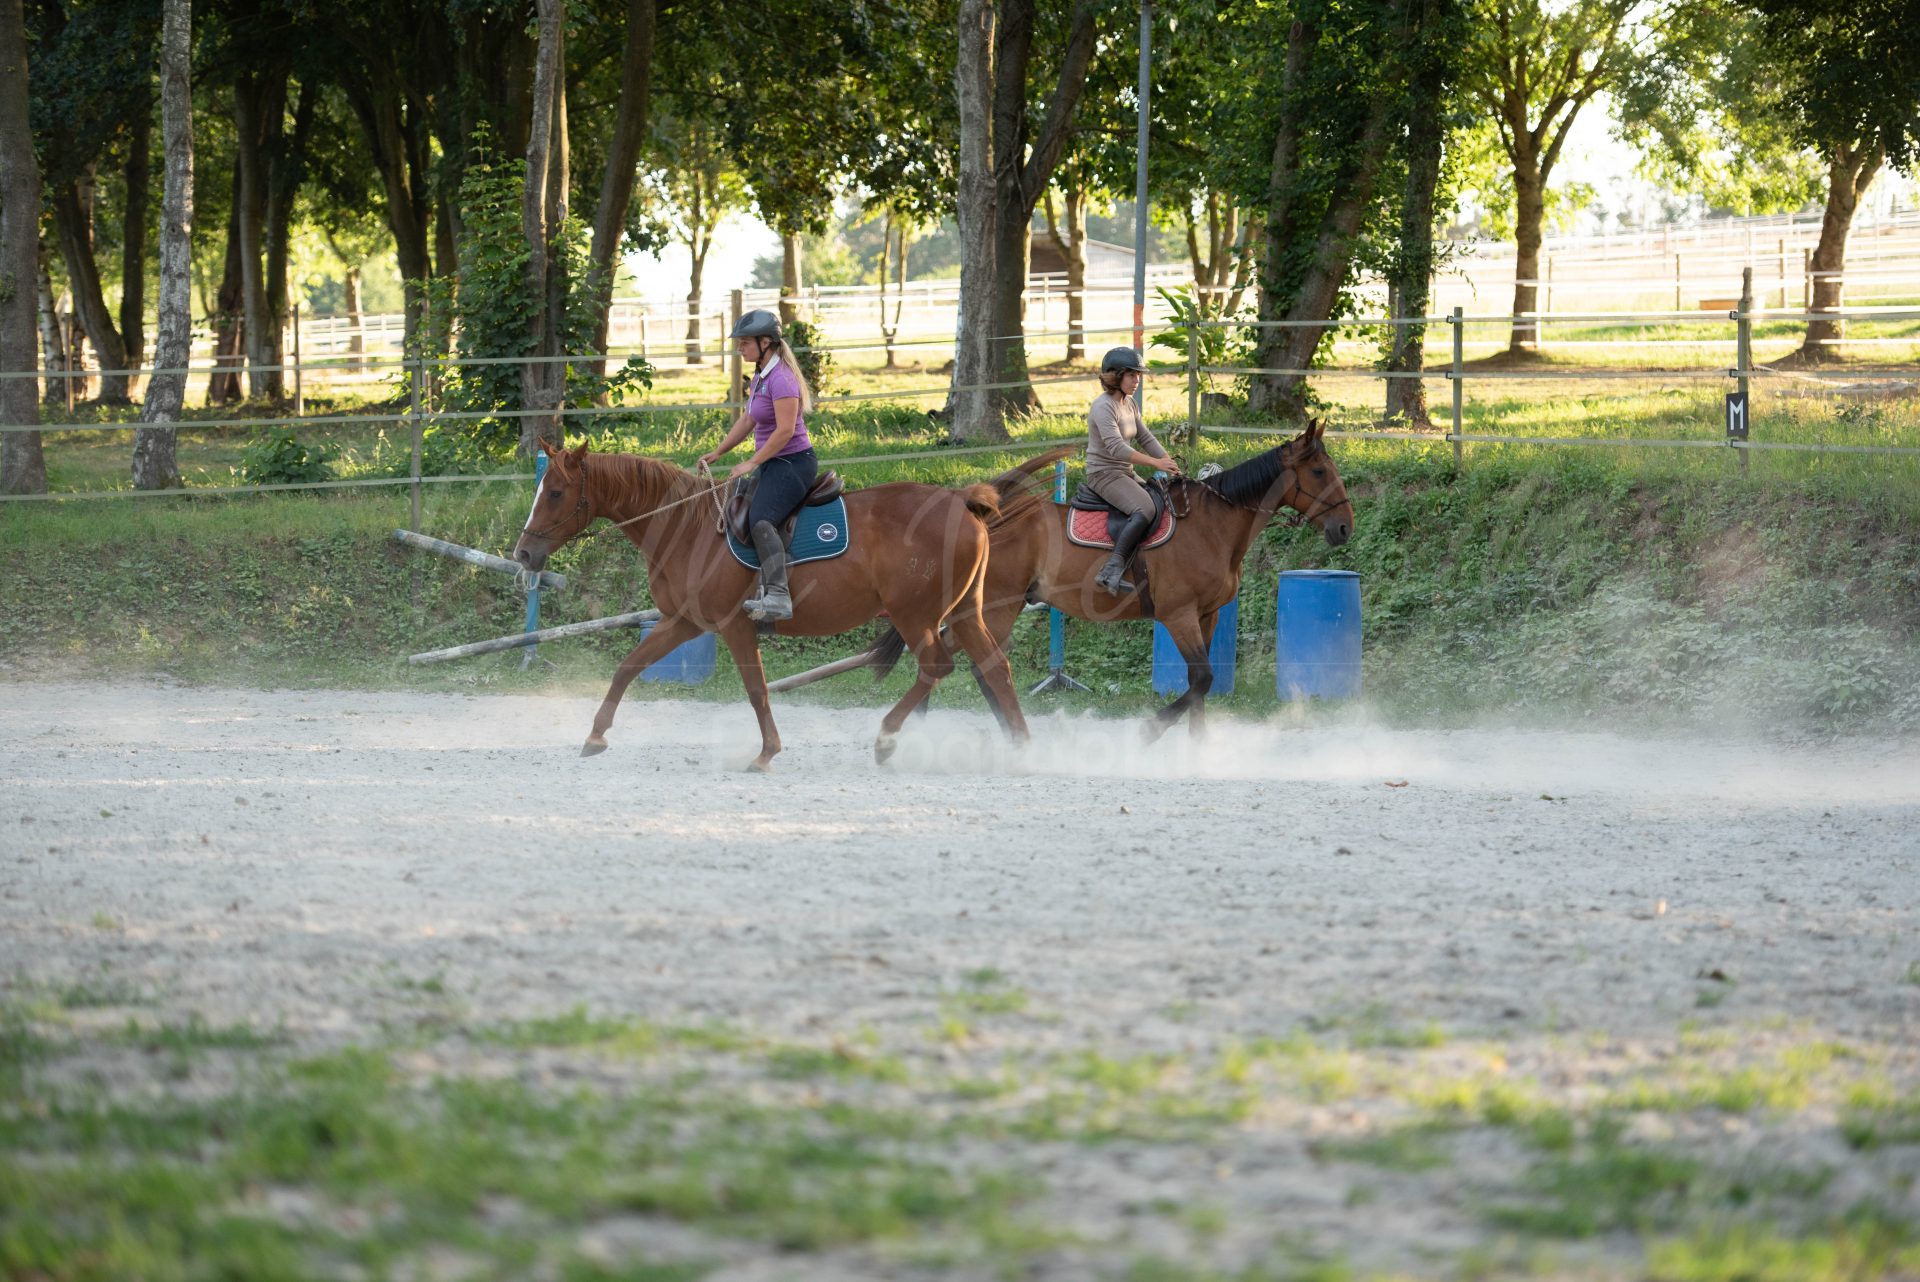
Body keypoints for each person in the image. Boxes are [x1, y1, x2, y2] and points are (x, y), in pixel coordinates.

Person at [699, 309, 816, 622]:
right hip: (773, 462)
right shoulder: (761, 377)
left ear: (766, 342)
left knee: (761, 520)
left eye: (745, 342)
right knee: (736, 506)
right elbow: (748, 420)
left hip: (792, 464)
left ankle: (778, 594)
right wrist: (719, 452)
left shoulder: (782, 379)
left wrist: (751, 462)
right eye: (739, 342)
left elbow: (785, 431)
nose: (740, 348)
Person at [1084, 346, 1180, 594]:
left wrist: (1168, 461)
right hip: (1103, 474)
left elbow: (1145, 438)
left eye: (1138, 375)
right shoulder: (1103, 407)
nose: (1137, 380)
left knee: (1162, 499)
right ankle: (1111, 570)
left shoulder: (1129, 404)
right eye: (1131, 375)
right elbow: (1117, 448)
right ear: (1115, 376)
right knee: (1145, 508)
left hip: (1124, 472)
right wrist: (1155, 464)